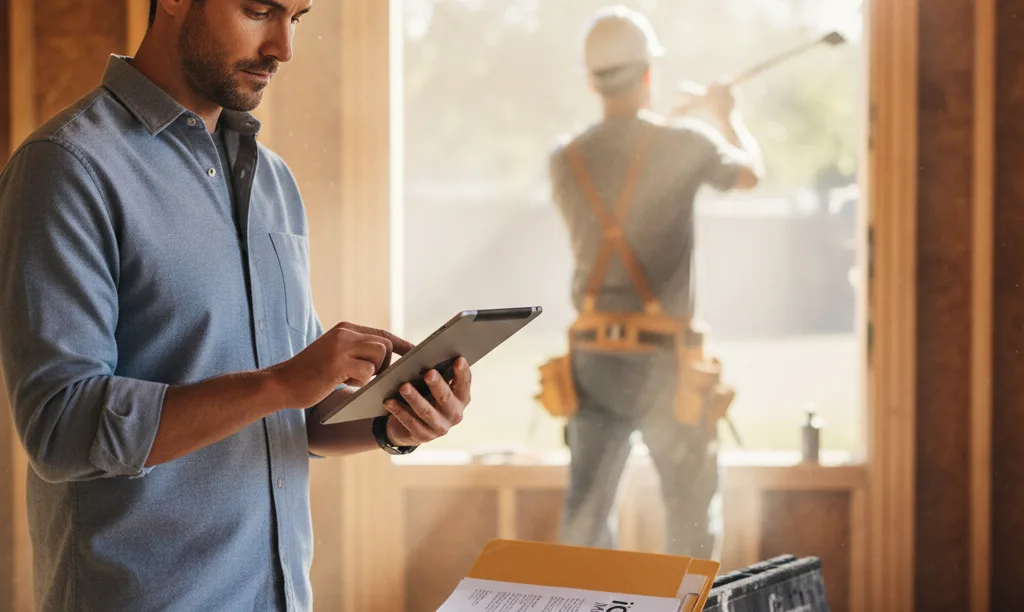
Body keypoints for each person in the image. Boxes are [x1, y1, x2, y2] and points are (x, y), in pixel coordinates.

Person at [0, 1, 474, 610]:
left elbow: (291, 416)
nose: (283, 47)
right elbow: (59, 427)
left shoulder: (273, 181)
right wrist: (279, 383)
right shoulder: (67, 167)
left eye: (296, 18)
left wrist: (392, 420)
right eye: (259, 10)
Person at [549, 5, 763, 558]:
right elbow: (749, 174)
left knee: (586, 520)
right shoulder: (687, 143)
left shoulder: (565, 158)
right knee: (691, 520)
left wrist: (676, 124)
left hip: (593, 361)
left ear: (593, 80)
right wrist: (723, 114)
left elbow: (626, 155)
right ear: (648, 73)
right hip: (667, 364)